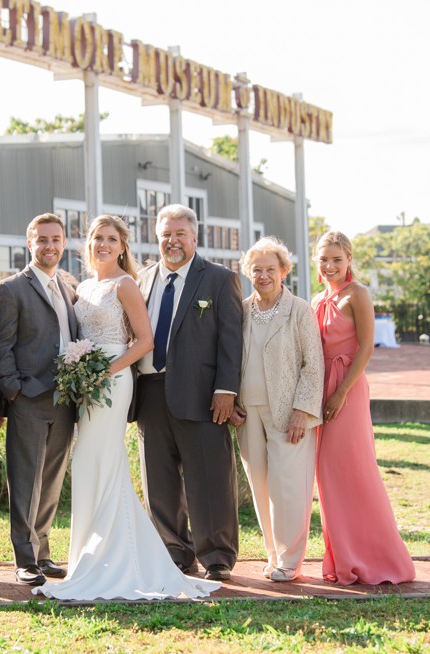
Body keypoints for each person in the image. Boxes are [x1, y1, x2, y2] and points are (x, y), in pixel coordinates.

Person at [35, 215, 220, 600]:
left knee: (104, 460)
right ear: (88, 244)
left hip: (112, 381)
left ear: (122, 246)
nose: (103, 244)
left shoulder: (126, 285)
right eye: (97, 238)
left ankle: (113, 556)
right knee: (87, 463)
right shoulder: (83, 287)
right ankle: (89, 553)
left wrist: (103, 371)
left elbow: (145, 342)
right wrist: (80, 371)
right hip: (86, 385)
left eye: (111, 239)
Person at [134, 204, 243, 582]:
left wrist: (226, 390)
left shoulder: (217, 279)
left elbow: (231, 340)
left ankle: (216, 557)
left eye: (180, 233)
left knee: (209, 479)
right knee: (158, 481)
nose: (172, 240)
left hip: (203, 396)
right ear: (157, 237)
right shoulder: (143, 279)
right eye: (166, 234)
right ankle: (174, 553)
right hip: (149, 393)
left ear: (195, 237)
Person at [312, 230, 416, 585]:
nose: (330, 266)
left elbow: (367, 349)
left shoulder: (358, 294)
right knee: (327, 476)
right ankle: (343, 558)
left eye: (337, 260)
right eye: (324, 259)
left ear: (349, 260)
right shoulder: (315, 300)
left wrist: (340, 393)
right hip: (320, 389)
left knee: (354, 470)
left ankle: (379, 558)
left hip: (348, 389)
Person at [230, 237, 323, 582]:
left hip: (288, 412)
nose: (264, 275)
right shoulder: (241, 310)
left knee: (288, 486)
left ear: (284, 271)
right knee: (261, 485)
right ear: (248, 273)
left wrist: (303, 409)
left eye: (271, 269)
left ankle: (290, 559)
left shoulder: (299, 310)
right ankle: (273, 555)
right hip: (247, 411)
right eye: (257, 270)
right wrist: (233, 400)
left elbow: (313, 365)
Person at [0, 213, 77, 586]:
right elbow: (2, 346)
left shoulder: (68, 288)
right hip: (29, 397)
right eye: (42, 240)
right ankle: (24, 558)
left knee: (51, 480)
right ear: (30, 244)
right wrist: (13, 390)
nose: (50, 246)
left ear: (63, 243)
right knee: (25, 480)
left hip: (65, 401)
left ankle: (42, 553)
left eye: (56, 239)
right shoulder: (11, 289)